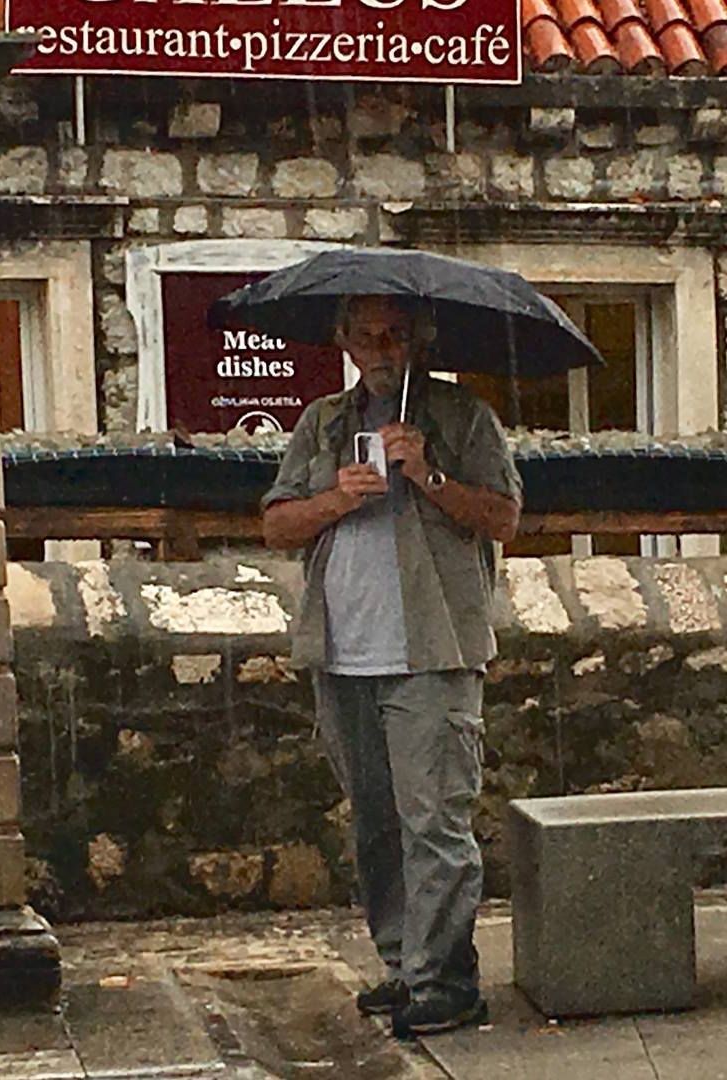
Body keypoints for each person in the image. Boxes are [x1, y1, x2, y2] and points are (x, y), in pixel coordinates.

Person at [261, 294, 522, 1036]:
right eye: (368, 336)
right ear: (344, 341)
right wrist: (336, 499)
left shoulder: (462, 417)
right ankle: (404, 964)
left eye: (397, 335)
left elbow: (505, 518)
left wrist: (429, 476)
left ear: (421, 340)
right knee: (376, 824)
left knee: (434, 820)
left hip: (432, 651)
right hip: (343, 653)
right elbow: (276, 524)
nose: (382, 350)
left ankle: (447, 981)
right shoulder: (323, 423)